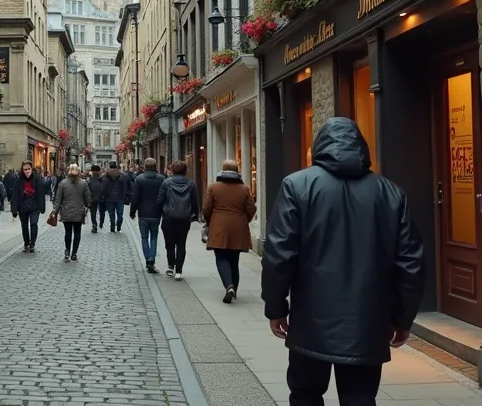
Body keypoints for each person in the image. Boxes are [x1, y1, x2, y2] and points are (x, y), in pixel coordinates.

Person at [263, 117, 426, 406]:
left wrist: (276, 307)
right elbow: (411, 263)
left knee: (305, 394)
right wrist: (402, 318)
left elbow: (279, 254)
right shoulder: (390, 193)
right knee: (360, 398)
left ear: (319, 147)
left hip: (311, 319)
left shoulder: (297, 186)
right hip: (367, 322)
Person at [202, 159, 256, 304]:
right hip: (238, 226)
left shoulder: (214, 187)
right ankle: (234, 289)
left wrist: (209, 222)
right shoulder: (244, 188)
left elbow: (207, 209)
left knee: (221, 256)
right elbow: (251, 209)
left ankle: (229, 286)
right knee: (234, 259)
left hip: (219, 225)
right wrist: (244, 221)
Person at [157, 160, 199, 279]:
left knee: (169, 244)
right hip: (184, 218)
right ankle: (179, 271)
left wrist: (162, 213)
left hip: (169, 218)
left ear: (172, 170)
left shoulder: (166, 183)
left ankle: (171, 266)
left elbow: (160, 200)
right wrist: (194, 215)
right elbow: (195, 202)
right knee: (181, 244)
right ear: (185, 170)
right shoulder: (191, 184)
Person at [130, 158, 166, 274]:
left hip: (143, 213)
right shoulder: (161, 179)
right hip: (156, 213)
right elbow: (164, 196)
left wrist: (132, 211)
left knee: (144, 237)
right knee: (154, 237)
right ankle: (152, 258)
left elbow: (135, 197)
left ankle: (147, 259)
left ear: (144, 166)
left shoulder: (139, 179)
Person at [52, 163, 92, 261]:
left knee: (68, 232)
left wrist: (55, 211)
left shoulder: (62, 183)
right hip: (79, 212)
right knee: (77, 233)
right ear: (78, 172)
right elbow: (88, 198)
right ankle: (74, 253)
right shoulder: (83, 183)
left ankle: (67, 251)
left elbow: (58, 199)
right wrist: (88, 205)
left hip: (66, 212)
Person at [7, 161, 44, 252]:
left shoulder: (37, 179)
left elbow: (41, 193)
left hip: (34, 206)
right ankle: (26, 243)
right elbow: (15, 195)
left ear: (32, 169)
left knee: (33, 224)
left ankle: (32, 244)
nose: (27, 171)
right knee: (24, 226)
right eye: (25, 169)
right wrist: (14, 209)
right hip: (23, 206)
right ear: (22, 170)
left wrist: (42, 206)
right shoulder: (19, 180)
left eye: (28, 169)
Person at [102, 161, 130, 232]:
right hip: (118, 198)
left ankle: (113, 227)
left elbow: (100, 180)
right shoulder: (123, 175)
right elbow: (129, 185)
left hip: (113, 198)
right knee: (119, 214)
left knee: (112, 214)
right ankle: (116, 227)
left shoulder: (122, 176)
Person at [87, 163, 106, 232]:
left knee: (93, 212)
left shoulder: (90, 180)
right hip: (102, 198)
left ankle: (94, 224)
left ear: (92, 171)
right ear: (99, 171)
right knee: (102, 212)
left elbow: (87, 191)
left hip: (93, 198)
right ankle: (101, 223)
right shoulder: (103, 179)